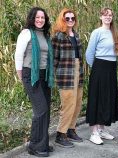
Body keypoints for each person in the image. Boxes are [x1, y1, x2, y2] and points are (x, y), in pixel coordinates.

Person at [14, 7, 54, 157]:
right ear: (32, 18)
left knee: (46, 110)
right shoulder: (26, 33)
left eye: (42, 18)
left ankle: (42, 143)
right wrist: (21, 77)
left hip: (44, 75)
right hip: (30, 74)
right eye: (37, 17)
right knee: (41, 109)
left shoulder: (45, 34)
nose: (40, 20)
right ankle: (34, 146)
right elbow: (18, 56)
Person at [85, 7, 118, 145]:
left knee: (107, 98)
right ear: (100, 17)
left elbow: (115, 53)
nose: (108, 17)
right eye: (105, 15)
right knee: (97, 99)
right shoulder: (97, 32)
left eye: (110, 15)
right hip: (99, 68)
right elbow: (89, 53)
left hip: (111, 68)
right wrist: (97, 69)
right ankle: (93, 133)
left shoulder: (114, 32)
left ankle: (101, 129)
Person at [52, 8, 84, 148]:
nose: (70, 20)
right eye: (67, 18)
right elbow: (54, 59)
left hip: (78, 71)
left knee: (77, 103)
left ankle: (71, 130)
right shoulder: (58, 36)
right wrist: (53, 77)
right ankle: (60, 134)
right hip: (65, 74)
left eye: (72, 18)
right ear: (62, 19)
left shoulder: (76, 35)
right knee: (68, 105)